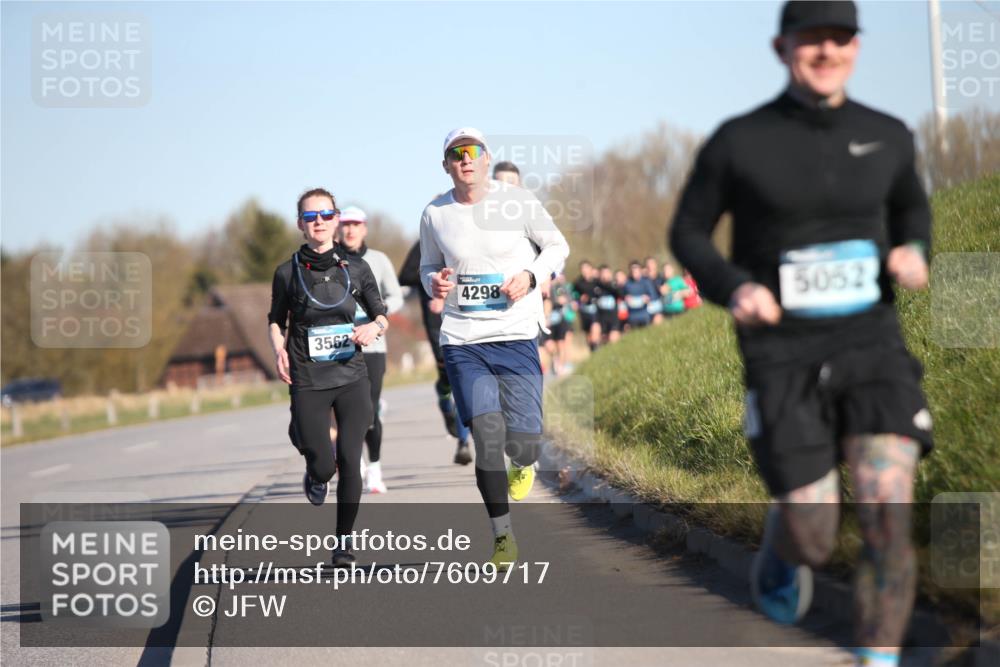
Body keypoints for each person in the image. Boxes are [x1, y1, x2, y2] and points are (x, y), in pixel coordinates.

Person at [669, 3, 933, 665]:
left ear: (856, 47)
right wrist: (738, 288)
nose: (826, 51)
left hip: (872, 346)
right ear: (782, 46)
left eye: (839, 39)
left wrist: (913, 248)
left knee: (886, 516)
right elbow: (688, 232)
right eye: (811, 40)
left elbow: (911, 207)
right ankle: (784, 550)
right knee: (816, 534)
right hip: (782, 352)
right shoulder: (739, 140)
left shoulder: (889, 134)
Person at [420, 127, 569, 569]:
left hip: (517, 332)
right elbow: (429, 265)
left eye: (473, 152)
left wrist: (530, 275)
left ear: (487, 159)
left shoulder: (517, 201)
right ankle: (502, 535)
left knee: (524, 444)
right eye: (456, 154)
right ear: (446, 165)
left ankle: (522, 464)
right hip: (464, 339)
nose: (465, 159)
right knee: (486, 435)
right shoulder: (434, 213)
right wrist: (435, 280)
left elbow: (558, 245)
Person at [269, 188, 389, 568]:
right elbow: (275, 320)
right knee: (324, 465)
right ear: (301, 225)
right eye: (310, 217)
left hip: (352, 376)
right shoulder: (286, 272)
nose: (318, 222)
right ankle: (313, 462)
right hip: (308, 376)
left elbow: (380, 311)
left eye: (325, 214)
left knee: (351, 459)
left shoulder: (356, 268)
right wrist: (278, 349)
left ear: (336, 219)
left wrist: (374, 328)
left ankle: (343, 546)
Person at [339, 205, 405, 494]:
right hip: (339, 345)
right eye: (345, 224)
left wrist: (380, 313)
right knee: (342, 411)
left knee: (368, 411)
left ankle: (374, 470)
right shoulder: (332, 260)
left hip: (374, 346)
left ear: (364, 228)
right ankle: (356, 464)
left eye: (355, 224)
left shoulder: (378, 260)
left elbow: (396, 296)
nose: (350, 229)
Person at [398, 241, 473, 465]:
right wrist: (433, 281)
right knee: (448, 381)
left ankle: (463, 443)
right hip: (437, 324)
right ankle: (444, 402)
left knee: (463, 381)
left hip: (468, 320)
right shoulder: (424, 244)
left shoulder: (468, 238)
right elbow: (405, 276)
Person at [573, 260, 600, 351]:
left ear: (591, 269)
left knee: (595, 329)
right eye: (582, 269)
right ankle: (593, 351)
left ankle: (596, 348)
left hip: (596, 310)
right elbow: (573, 297)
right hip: (584, 311)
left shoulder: (597, 281)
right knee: (588, 333)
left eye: (586, 268)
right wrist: (579, 300)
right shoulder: (577, 283)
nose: (584, 270)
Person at [623, 260, 659, 330]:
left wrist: (648, 299)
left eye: (636, 270)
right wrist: (626, 298)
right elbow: (623, 298)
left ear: (640, 270)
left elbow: (654, 297)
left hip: (646, 313)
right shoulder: (627, 284)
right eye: (632, 271)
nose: (634, 273)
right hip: (632, 315)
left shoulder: (646, 282)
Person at [593, 264, 622, 345]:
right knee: (603, 342)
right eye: (603, 273)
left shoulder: (614, 285)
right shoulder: (596, 287)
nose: (605, 275)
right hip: (601, 318)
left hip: (613, 318)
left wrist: (608, 283)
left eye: (607, 273)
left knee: (614, 340)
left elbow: (621, 294)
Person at [644, 256, 666, 324]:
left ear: (656, 264)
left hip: (663, 306)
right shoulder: (644, 280)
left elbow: (667, 291)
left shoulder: (662, 278)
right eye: (648, 265)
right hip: (649, 309)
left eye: (652, 264)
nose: (650, 266)